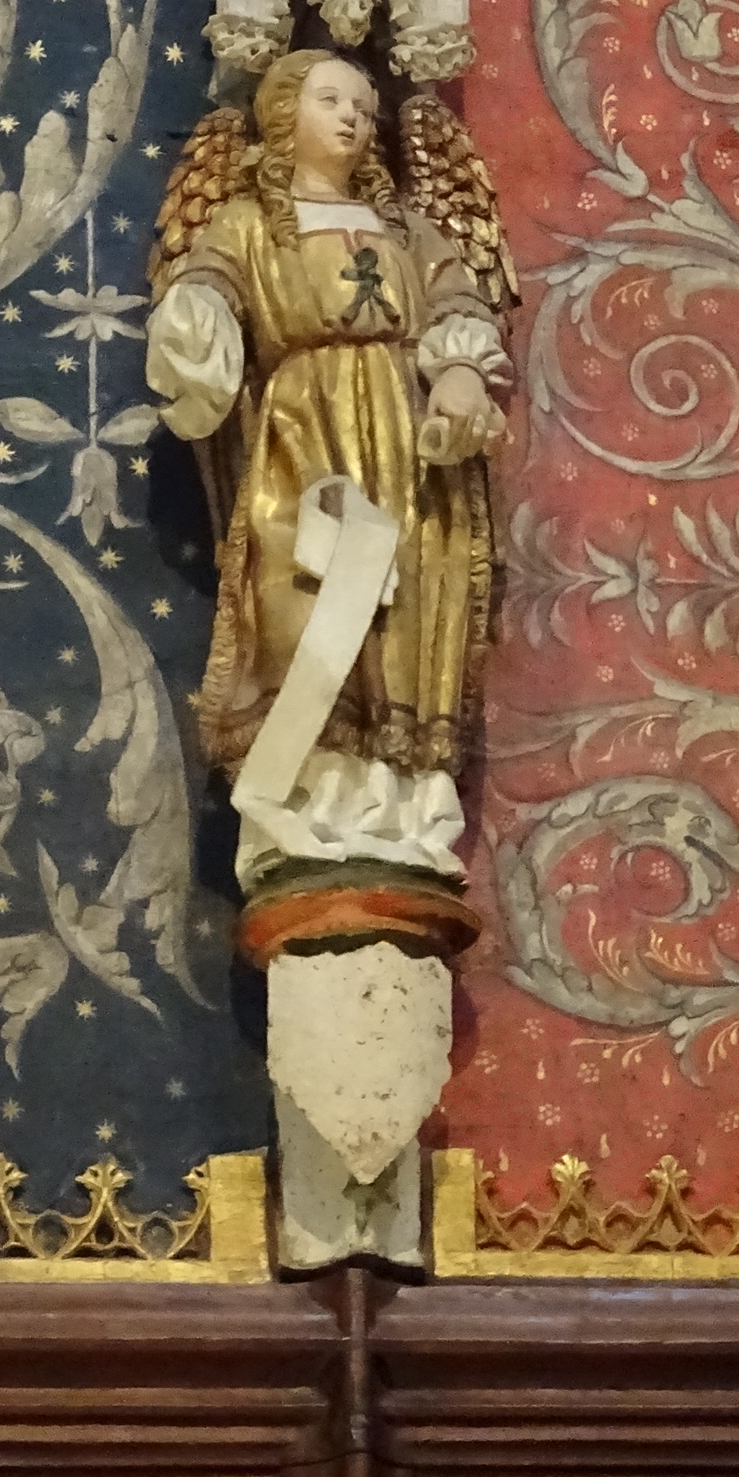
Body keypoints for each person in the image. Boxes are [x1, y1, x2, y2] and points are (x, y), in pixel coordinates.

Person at [146, 51, 508, 890]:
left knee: (412, 607)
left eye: (364, 106)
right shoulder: (250, 221)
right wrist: (196, 323)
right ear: (282, 115)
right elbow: (208, 290)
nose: (352, 117)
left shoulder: (406, 230)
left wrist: (459, 371)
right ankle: (307, 793)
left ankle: (402, 804)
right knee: (302, 597)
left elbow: (457, 303)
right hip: (301, 431)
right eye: (330, 100)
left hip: (407, 437)